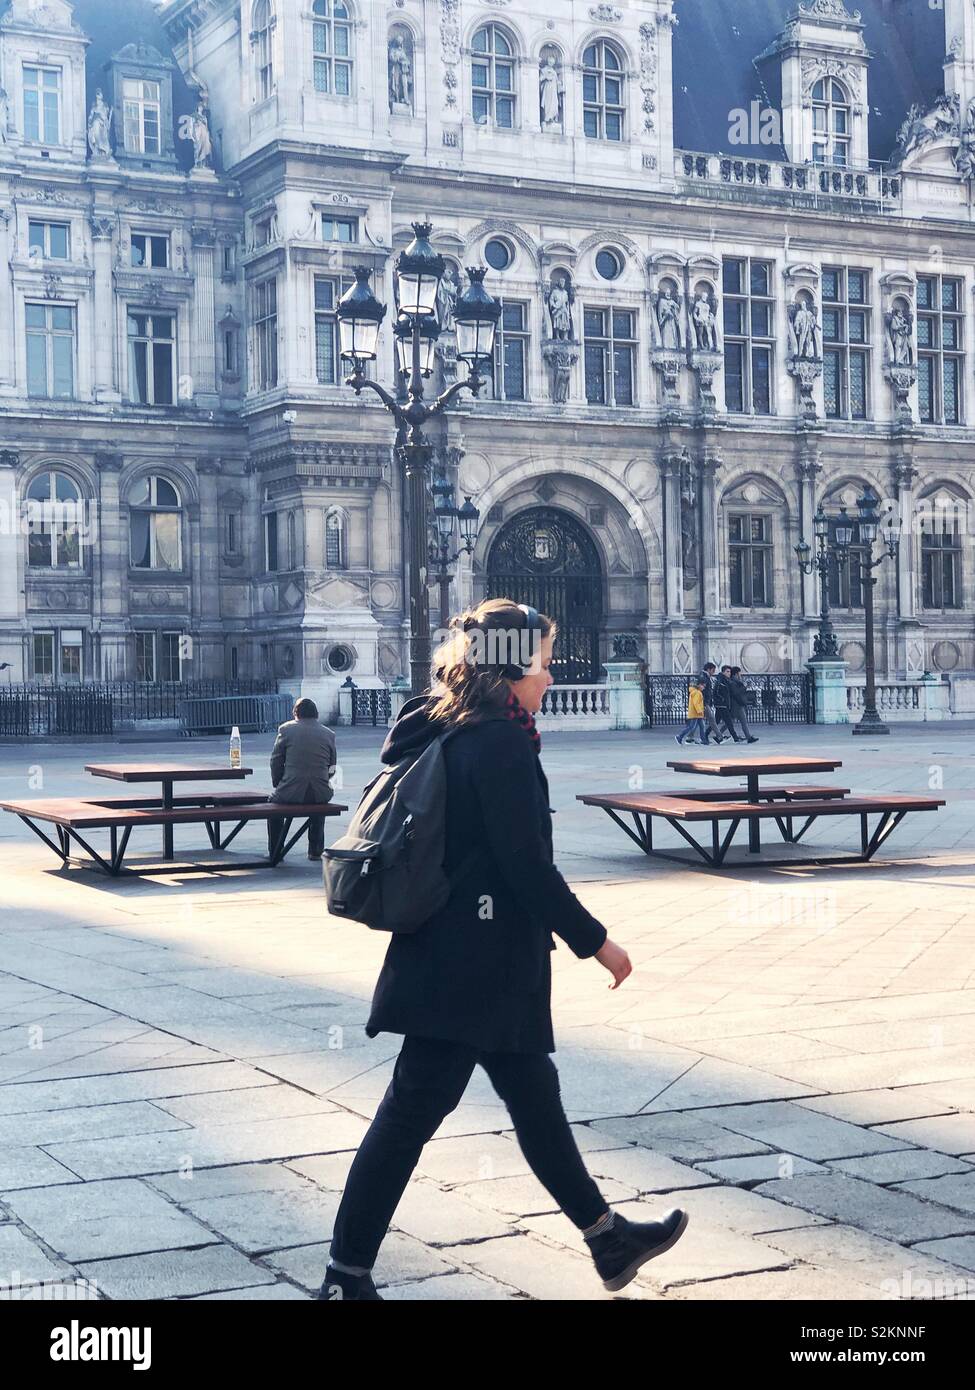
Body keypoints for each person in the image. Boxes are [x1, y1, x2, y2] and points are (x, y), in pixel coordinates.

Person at [320, 598, 689, 1301]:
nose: (551, 676)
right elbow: (525, 866)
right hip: (470, 965)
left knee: (534, 1100)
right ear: (512, 664)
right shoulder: (498, 742)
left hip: (467, 955)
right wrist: (596, 942)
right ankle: (344, 1276)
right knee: (406, 1119)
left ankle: (606, 1238)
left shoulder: (445, 725)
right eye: (544, 662)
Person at [268, 697, 336, 860]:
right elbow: (333, 766)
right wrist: (328, 784)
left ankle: (276, 850)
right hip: (320, 792)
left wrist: (278, 783)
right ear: (316, 714)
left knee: (273, 807)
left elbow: (275, 761)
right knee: (319, 802)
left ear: (295, 713)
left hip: (291, 791)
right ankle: (315, 849)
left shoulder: (286, 730)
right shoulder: (329, 734)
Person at [727, 667, 759, 744]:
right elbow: (736, 693)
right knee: (741, 721)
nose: (740, 675)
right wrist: (745, 687)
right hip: (737, 705)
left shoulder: (735, 682)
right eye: (739, 673)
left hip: (737, 704)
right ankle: (748, 737)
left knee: (730, 722)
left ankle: (718, 734)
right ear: (735, 674)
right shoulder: (733, 682)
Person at [699, 663, 726, 745]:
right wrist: (704, 702)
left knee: (700, 721)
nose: (713, 672)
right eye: (713, 670)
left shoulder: (705, 676)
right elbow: (702, 691)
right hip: (704, 703)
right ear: (708, 669)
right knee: (711, 720)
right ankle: (719, 737)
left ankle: (690, 737)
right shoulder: (704, 677)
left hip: (705, 702)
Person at [675, 679, 708, 747]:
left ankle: (704, 740)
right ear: (699, 685)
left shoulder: (694, 692)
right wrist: (700, 711)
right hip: (696, 713)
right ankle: (679, 736)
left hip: (695, 713)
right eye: (703, 685)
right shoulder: (697, 693)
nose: (704, 687)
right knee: (691, 727)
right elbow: (696, 703)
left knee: (701, 726)